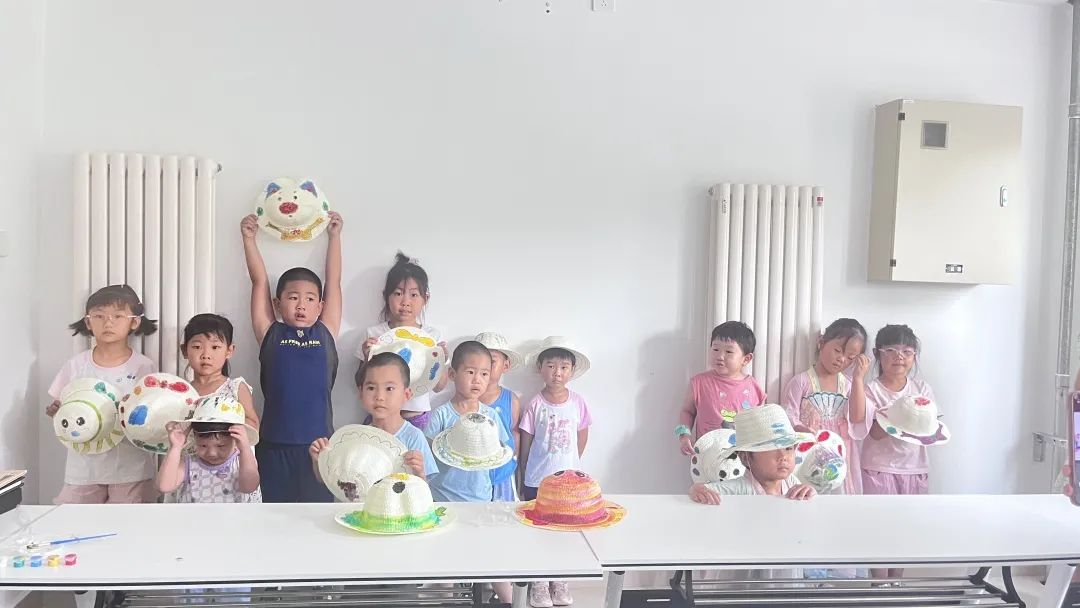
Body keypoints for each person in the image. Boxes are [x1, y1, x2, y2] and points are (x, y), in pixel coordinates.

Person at [240, 211, 343, 503]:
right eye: (293, 297)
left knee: (316, 517)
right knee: (274, 518)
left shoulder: (326, 331)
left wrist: (334, 237)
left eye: (309, 299)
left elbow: (334, 282)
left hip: (318, 446)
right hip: (274, 445)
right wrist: (249, 239)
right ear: (278, 303)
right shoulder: (270, 333)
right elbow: (259, 281)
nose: (301, 305)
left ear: (320, 306)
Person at [47, 285, 159, 505]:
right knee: (74, 519)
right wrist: (57, 412)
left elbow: (151, 413)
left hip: (130, 467)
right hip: (84, 467)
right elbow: (61, 407)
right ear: (88, 322)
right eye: (99, 316)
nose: (108, 323)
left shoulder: (143, 367)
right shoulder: (76, 365)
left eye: (118, 316)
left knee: (129, 520)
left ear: (134, 321)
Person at [857, 324, 942, 582]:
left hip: (915, 469)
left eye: (906, 351)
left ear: (914, 356)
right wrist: (901, 415)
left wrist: (912, 420)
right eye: (891, 350)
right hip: (878, 468)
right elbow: (873, 432)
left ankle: (896, 583)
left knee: (907, 530)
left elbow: (930, 429)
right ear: (877, 354)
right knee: (879, 530)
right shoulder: (871, 390)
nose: (899, 357)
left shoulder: (922, 389)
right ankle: (879, 584)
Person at [520, 337, 593, 608]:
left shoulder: (578, 402)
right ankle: (538, 583)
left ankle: (559, 579)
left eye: (563, 367)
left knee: (564, 530)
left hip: (568, 483)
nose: (557, 373)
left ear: (571, 371)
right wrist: (523, 474)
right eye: (551, 366)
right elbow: (526, 442)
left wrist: (572, 464)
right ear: (540, 368)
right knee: (539, 530)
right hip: (537, 480)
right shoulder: (535, 404)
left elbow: (582, 436)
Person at [309, 352, 438, 483]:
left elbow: (424, 489)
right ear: (361, 392)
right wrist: (319, 461)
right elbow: (335, 482)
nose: (379, 397)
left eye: (389, 388)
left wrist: (419, 474)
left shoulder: (414, 437)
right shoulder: (355, 437)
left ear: (406, 394)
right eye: (371, 388)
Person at [356, 253, 448, 429]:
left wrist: (442, 360)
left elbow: (439, 387)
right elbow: (360, 383)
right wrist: (367, 357)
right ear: (386, 296)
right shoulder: (375, 334)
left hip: (416, 418)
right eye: (398, 293)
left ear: (425, 299)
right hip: (380, 419)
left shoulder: (431, 337)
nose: (405, 302)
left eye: (414, 295)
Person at [781, 318, 870, 495]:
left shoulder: (850, 385)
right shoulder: (801, 382)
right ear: (821, 342)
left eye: (850, 358)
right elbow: (788, 413)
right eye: (837, 350)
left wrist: (859, 378)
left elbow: (857, 417)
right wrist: (801, 429)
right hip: (809, 453)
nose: (841, 359)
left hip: (840, 454)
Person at [689, 404, 817, 503]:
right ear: (745, 458)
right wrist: (696, 490)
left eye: (788, 448)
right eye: (771, 449)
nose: (783, 457)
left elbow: (806, 500)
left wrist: (809, 492)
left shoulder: (791, 482)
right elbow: (702, 489)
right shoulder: (739, 488)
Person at [677, 321, 766, 455]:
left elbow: (760, 422)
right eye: (715, 349)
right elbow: (687, 411)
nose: (720, 356)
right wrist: (684, 436)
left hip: (743, 459)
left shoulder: (753, 387)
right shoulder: (699, 383)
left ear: (746, 359)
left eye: (729, 351)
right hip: (708, 457)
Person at [182, 313, 258, 429]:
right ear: (184, 351)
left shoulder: (235, 388)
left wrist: (225, 425)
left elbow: (254, 424)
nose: (206, 355)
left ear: (229, 351)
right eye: (197, 347)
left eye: (215, 347)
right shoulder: (182, 393)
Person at [475, 332, 523, 502]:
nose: (486, 367)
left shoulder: (511, 400)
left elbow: (514, 433)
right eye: (480, 361)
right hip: (475, 473)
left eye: (492, 361)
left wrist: (515, 463)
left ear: (506, 365)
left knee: (503, 513)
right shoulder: (467, 398)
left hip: (503, 472)